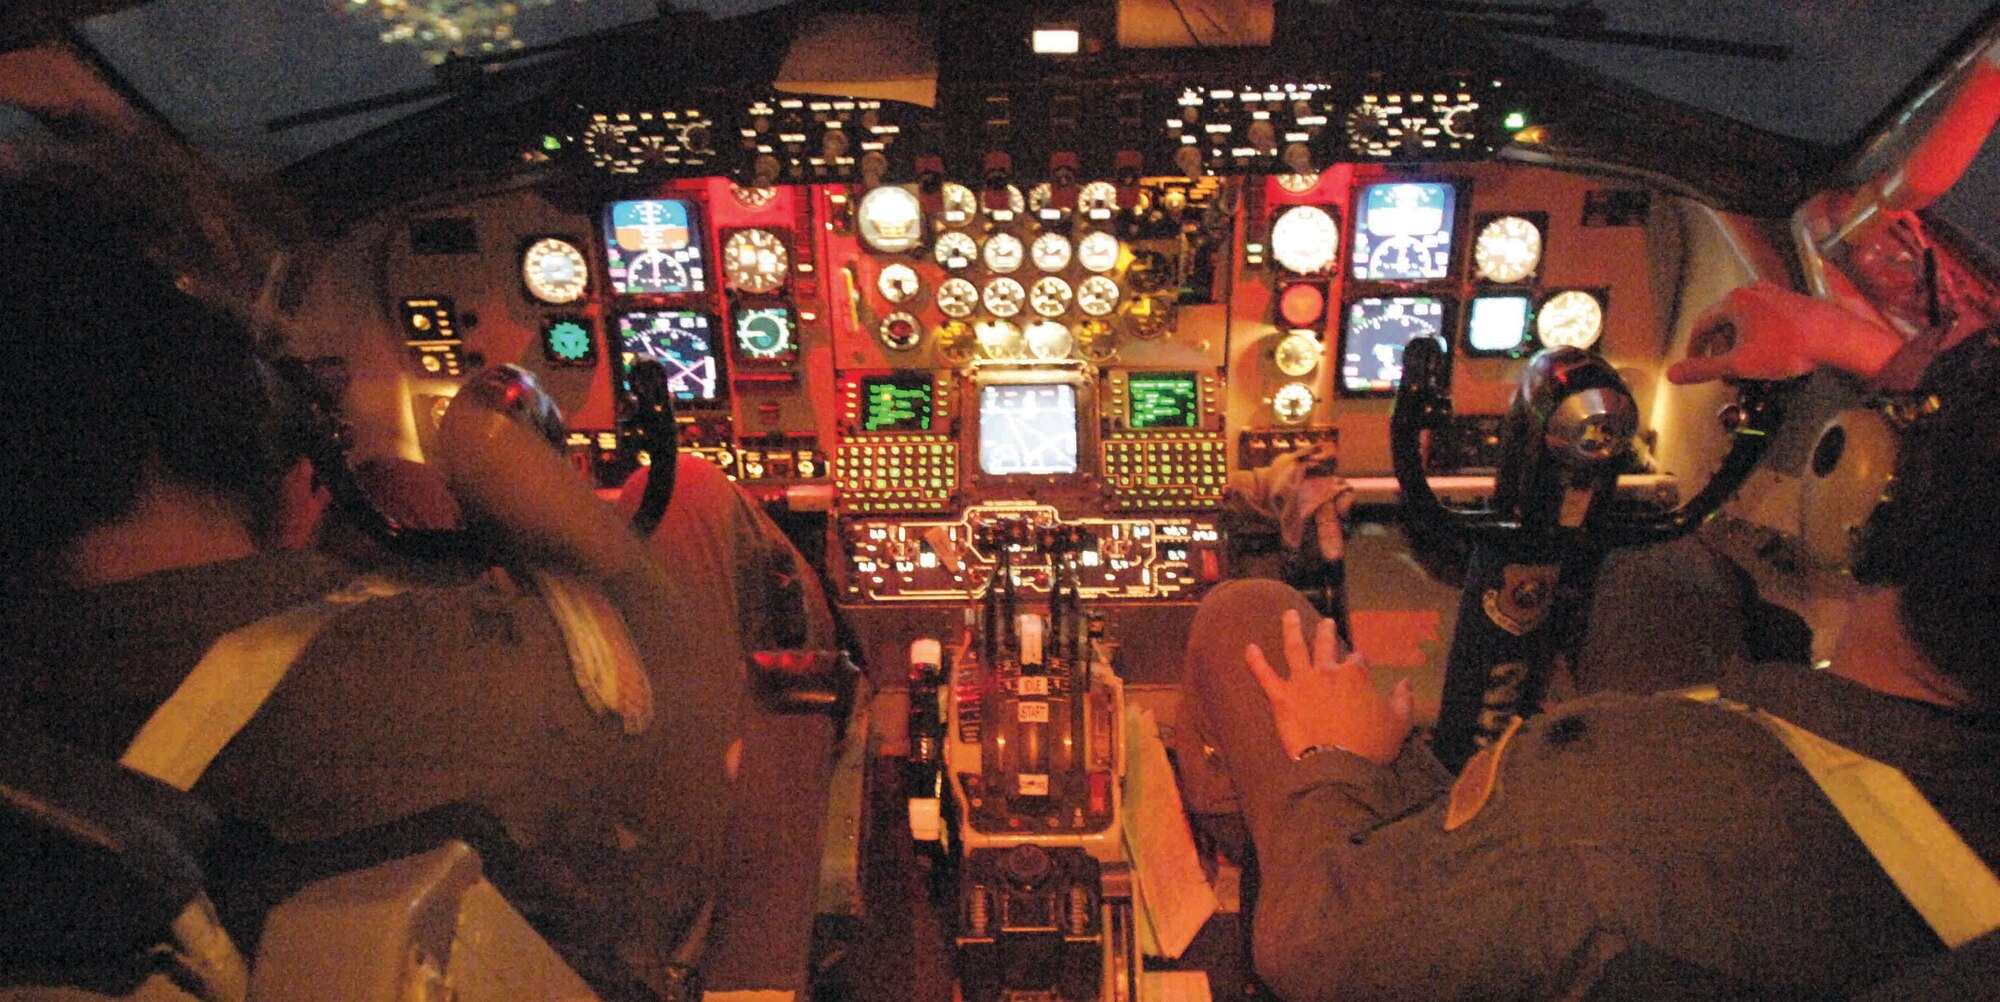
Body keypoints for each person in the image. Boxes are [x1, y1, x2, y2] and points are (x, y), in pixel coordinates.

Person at [0, 162, 811, 996]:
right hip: (639, 928)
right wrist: (560, 515)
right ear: (209, 404)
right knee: (697, 499)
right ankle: (830, 684)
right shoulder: (437, 688)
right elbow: (684, 719)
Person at [1175, 280, 2000, 999]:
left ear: (1861, 493)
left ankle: (1234, 845)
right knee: (1657, 578)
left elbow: (1312, 947)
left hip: (1397, 921)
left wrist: (1335, 760)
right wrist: (1841, 341)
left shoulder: (1604, 810)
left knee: (1242, 613)